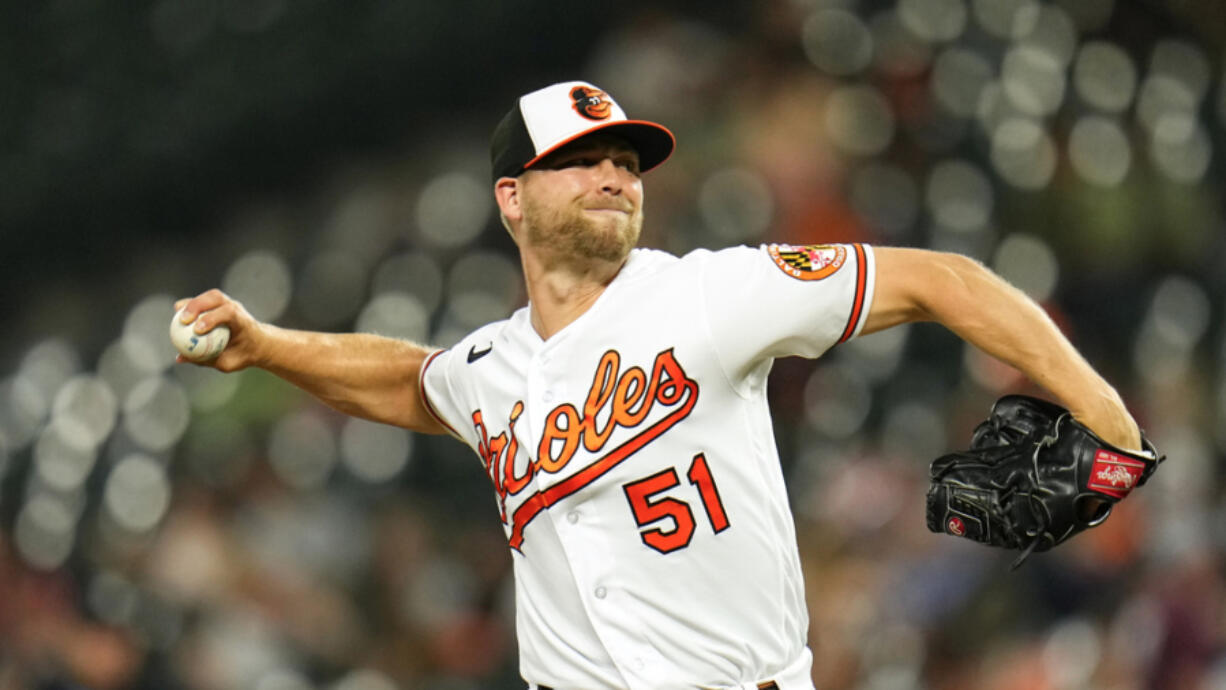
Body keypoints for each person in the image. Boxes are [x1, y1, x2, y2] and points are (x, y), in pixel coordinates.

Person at [175, 81, 1144, 689]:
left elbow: (943, 280)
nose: (611, 175)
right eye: (579, 160)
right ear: (510, 198)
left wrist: (1107, 420)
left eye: (623, 162)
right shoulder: (493, 370)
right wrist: (266, 346)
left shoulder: (707, 295)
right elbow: (409, 385)